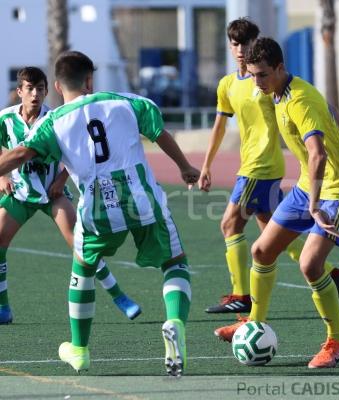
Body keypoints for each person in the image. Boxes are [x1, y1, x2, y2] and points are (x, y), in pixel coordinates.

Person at [0, 52, 199, 376]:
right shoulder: (127, 102)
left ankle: (79, 350)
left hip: (97, 207)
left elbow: (21, 153)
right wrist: (185, 167)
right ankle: (174, 321)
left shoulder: (54, 121)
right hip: (142, 200)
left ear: (57, 86)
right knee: (174, 263)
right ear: (90, 80)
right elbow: (158, 132)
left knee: (83, 268)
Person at [214, 37, 339, 368]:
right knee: (261, 250)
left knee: (310, 265)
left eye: (262, 75)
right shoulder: (277, 90)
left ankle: (338, 340)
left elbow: (318, 153)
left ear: (280, 68)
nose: (256, 82)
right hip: (306, 187)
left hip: (337, 190)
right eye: (252, 75)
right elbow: (332, 110)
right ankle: (252, 323)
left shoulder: (300, 100)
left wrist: (315, 204)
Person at [201, 18, 339, 314]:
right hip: (272, 173)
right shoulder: (232, 85)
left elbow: (323, 117)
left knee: (230, 224)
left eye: (248, 42)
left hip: (264, 169)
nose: (242, 49)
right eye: (236, 43)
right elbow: (220, 125)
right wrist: (206, 164)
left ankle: (241, 295)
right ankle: (335, 274)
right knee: (269, 241)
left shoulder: (279, 86)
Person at [0, 67, 140, 325]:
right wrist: (2, 176)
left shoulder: (56, 119)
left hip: (53, 194)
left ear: (47, 91)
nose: (35, 94)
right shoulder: (5, 118)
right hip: (19, 192)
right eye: (29, 89)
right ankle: (3, 307)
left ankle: (119, 296)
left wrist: (61, 178)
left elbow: (75, 152)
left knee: (81, 246)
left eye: (40, 89)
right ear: (19, 91)